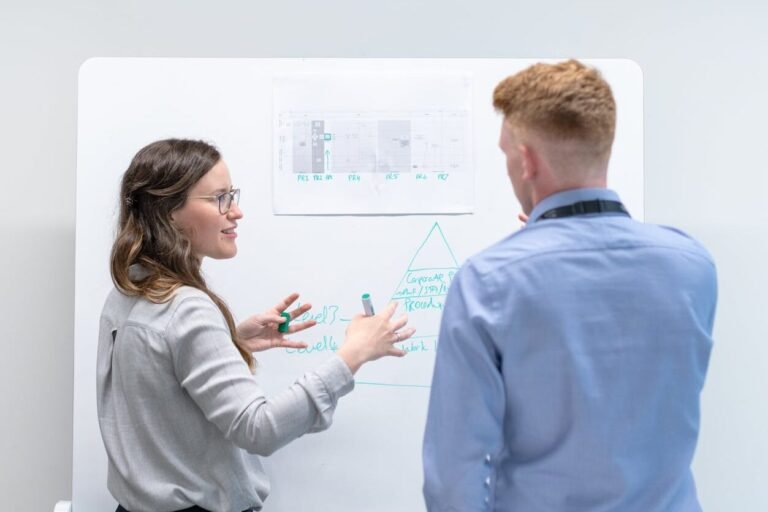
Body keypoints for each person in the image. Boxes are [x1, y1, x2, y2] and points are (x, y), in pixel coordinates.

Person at [422, 60, 717, 511]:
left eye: (505, 154)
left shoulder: (487, 283)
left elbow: (452, 479)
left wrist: (530, 257)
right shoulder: (691, 266)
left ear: (527, 161)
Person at [97, 138, 415, 512]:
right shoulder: (186, 309)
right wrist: (351, 356)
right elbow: (260, 429)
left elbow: (158, 384)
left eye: (233, 195)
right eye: (220, 198)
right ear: (170, 213)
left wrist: (232, 340)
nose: (236, 212)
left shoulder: (129, 290)